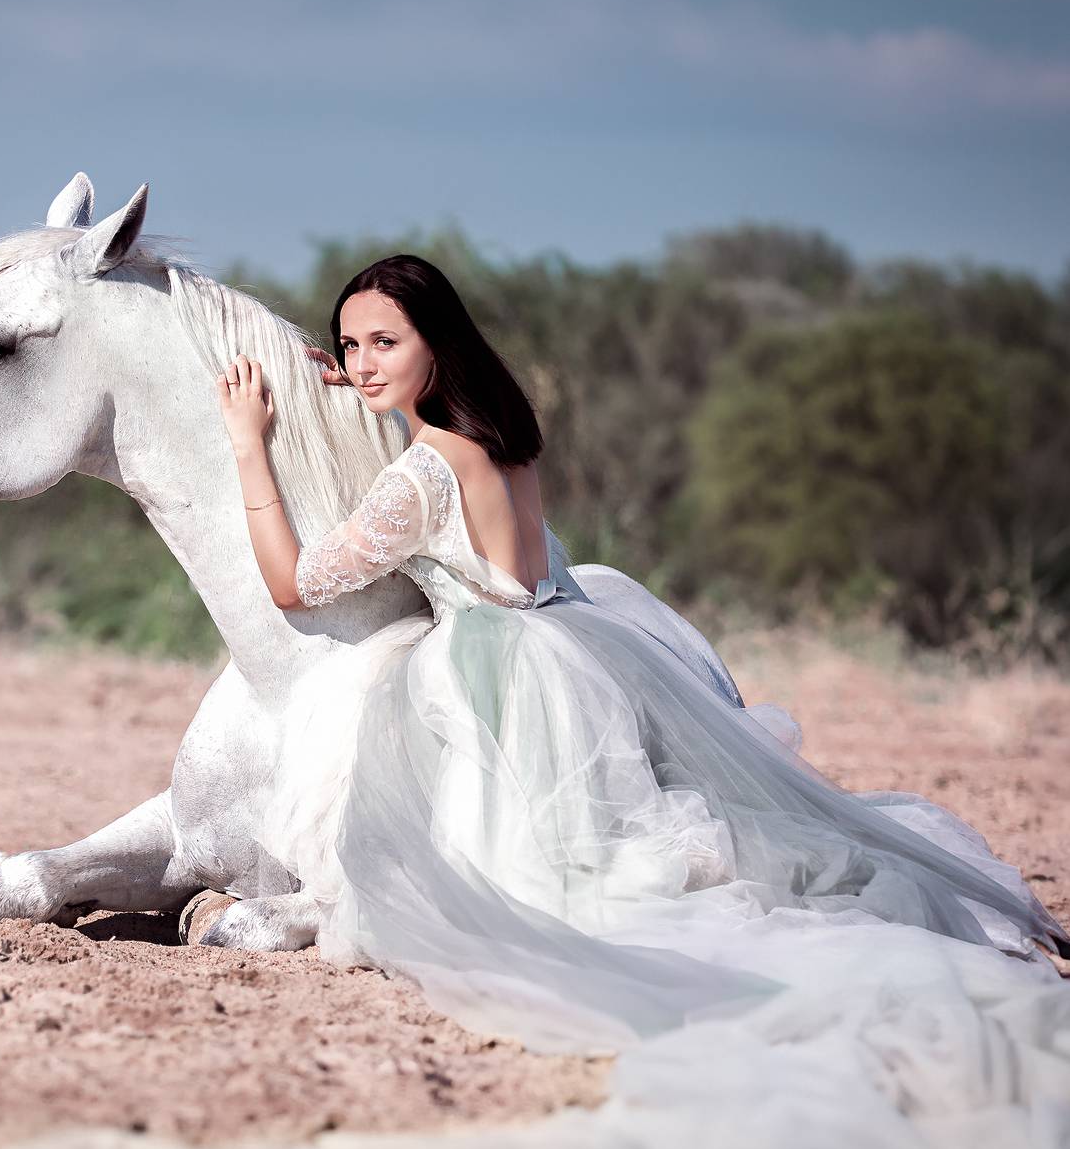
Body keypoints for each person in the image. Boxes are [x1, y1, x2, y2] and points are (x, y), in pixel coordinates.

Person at [216, 252, 1068, 1054]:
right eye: (350, 345)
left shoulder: (418, 477)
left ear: (437, 344)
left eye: (385, 344)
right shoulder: (498, 436)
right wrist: (368, 384)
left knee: (533, 889)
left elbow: (294, 584)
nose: (362, 362)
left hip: (490, 673)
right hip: (562, 646)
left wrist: (251, 444)